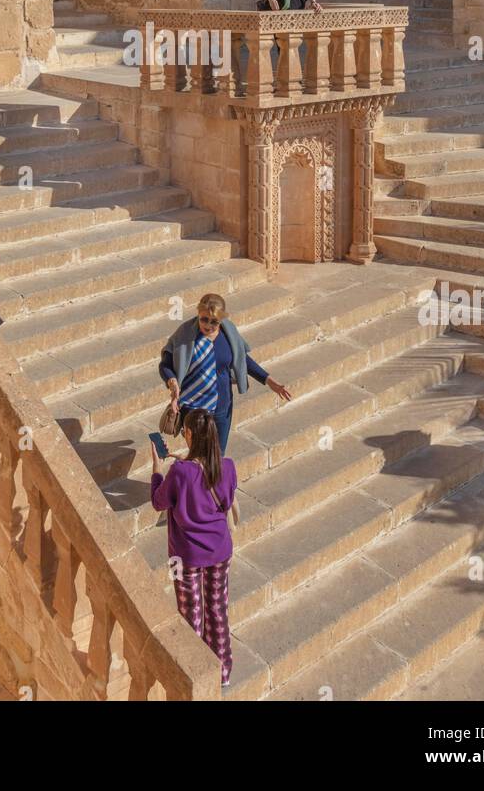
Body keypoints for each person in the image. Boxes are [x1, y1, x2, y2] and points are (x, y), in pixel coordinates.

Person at [151, 407, 237, 688]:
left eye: (185, 432)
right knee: (217, 609)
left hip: (185, 556)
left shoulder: (179, 473)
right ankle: (223, 672)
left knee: (191, 616)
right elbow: (220, 494)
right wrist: (185, 461)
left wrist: (156, 470)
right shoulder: (228, 467)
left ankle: (194, 676)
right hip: (220, 550)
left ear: (188, 435)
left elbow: (158, 502)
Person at [159, 292, 291, 454]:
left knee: (218, 457)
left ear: (221, 320)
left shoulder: (229, 334)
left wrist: (270, 381)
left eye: (214, 321)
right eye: (204, 319)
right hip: (194, 408)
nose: (208, 325)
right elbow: (165, 363)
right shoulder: (185, 334)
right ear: (198, 314)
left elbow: (243, 360)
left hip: (222, 406)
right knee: (200, 456)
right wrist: (172, 381)